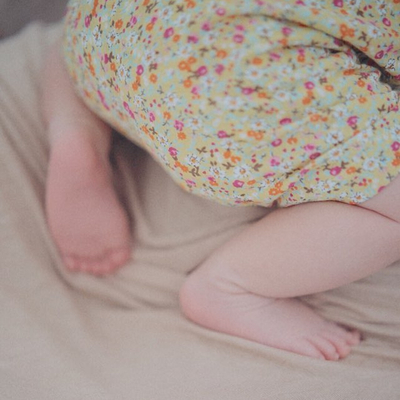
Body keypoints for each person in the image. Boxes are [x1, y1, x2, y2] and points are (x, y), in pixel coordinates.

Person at [42, 0, 400, 361]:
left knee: (69, 43)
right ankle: (229, 285)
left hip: (108, 35)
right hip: (236, 97)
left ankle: (75, 131)